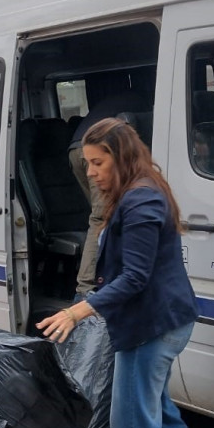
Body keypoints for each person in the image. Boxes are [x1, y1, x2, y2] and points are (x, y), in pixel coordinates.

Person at [38, 118, 214, 428]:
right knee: (157, 414)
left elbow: (136, 278)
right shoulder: (139, 188)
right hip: (161, 323)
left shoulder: (141, 201)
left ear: (121, 156)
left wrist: (80, 308)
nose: (90, 172)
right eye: (87, 163)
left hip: (150, 330)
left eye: (97, 162)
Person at [68, 91, 150, 298]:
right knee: (102, 217)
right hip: (96, 152)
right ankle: (86, 289)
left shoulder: (126, 97)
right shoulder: (149, 103)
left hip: (77, 149)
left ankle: (108, 277)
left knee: (107, 216)